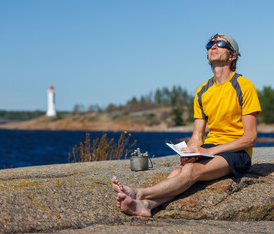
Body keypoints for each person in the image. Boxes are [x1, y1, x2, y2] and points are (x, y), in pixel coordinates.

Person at [112, 33, 262, 217]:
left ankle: (139, 193)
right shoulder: (202, 91)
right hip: (210, 148)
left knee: (191, 171)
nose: (213, 46)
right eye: (210, 44)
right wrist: (189, 152)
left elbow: (250, 138)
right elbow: (197, 136)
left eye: (221, 43)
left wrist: (211, 152)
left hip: (237, 153)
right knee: (179, 170)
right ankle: (147, 206)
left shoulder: (244, 86)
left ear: (232, 56)